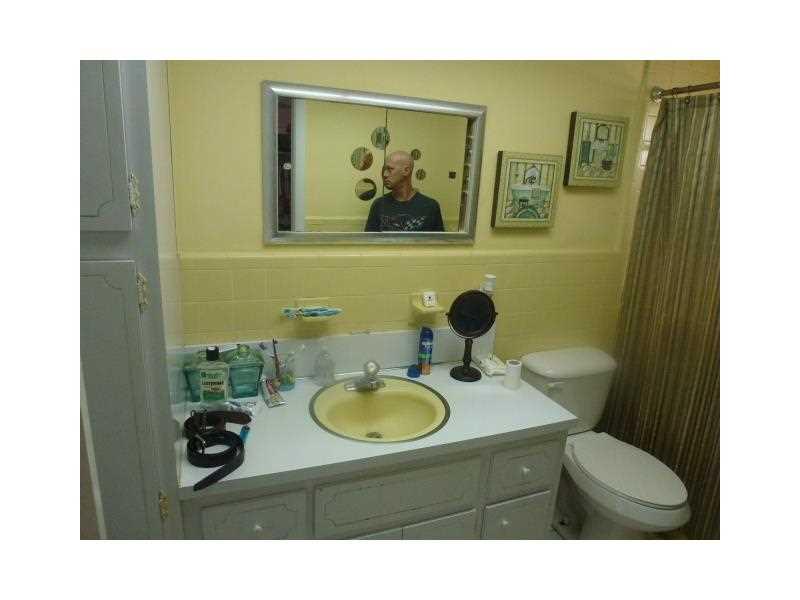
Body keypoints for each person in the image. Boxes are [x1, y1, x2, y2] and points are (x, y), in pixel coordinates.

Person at [364, 151, 444, 232]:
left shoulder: (430, 206)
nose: (384, 174)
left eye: (390, 169)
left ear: (406, 171)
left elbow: (439, 240)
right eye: (384, 170)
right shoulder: (379, 205)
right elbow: (369, 239)